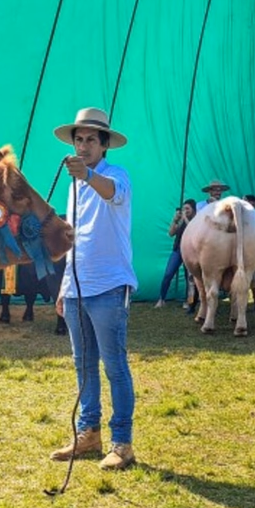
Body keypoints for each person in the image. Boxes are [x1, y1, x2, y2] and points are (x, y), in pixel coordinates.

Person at [49, 107, 137, 470]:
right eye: (79, 139)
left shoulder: (116, 176)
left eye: (90, 140)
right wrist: (63, 286)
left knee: (114, 366)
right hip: (76, 288)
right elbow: (75, 237)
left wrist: (86, 175)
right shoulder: (74, 186)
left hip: (109, 286)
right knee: (83, 365)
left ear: (104, 147)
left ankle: (122, 443)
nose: (83, 146)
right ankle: (89, 434)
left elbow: (111, 192)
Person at [155, 199, 196, 307]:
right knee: (168, 274)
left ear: (193, 209)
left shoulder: (196, 220)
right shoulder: (182, 220)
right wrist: (175, 220)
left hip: (190, 252)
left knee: (190, 278)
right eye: (183, 209)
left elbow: (193, 230)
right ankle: (162, 299)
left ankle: (189, 301)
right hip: (177, 250)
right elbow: (171, 233)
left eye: (187, 208)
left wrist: (185, 218)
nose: (185, 211)